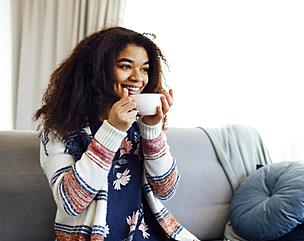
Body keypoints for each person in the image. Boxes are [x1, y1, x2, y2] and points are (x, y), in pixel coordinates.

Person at [34, 27, 198, 241]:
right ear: (97, 69)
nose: (138, 78)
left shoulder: (140, 124)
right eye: (125, 66)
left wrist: (152, 129)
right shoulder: (60, 129)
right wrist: (112, 130)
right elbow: (70, 203)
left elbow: (166, 190)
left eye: (145, 69)